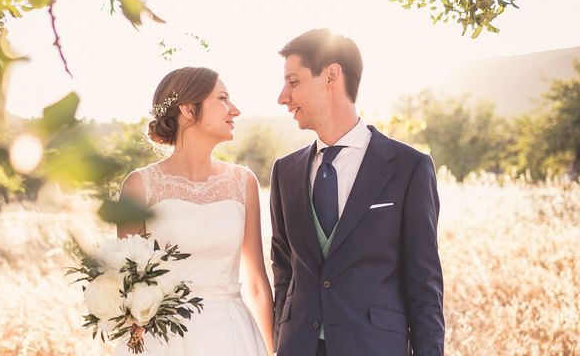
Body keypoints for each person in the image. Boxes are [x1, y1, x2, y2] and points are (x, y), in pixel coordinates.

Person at [270, 29, 444, 356]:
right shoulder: (285, 172)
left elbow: (424, 286)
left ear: (331, 76)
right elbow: (283, 271)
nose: (283, 97)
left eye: (293, 82)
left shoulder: (409, 168)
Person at [115, 67, 273, 356]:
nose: (234, 110)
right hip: (165, 340)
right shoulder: (139, 186)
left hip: (233, 336)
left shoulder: (243, 182)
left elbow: (256, 283)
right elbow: (128, 286)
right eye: (223, 99)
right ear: (188, 109)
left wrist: (272, 350)